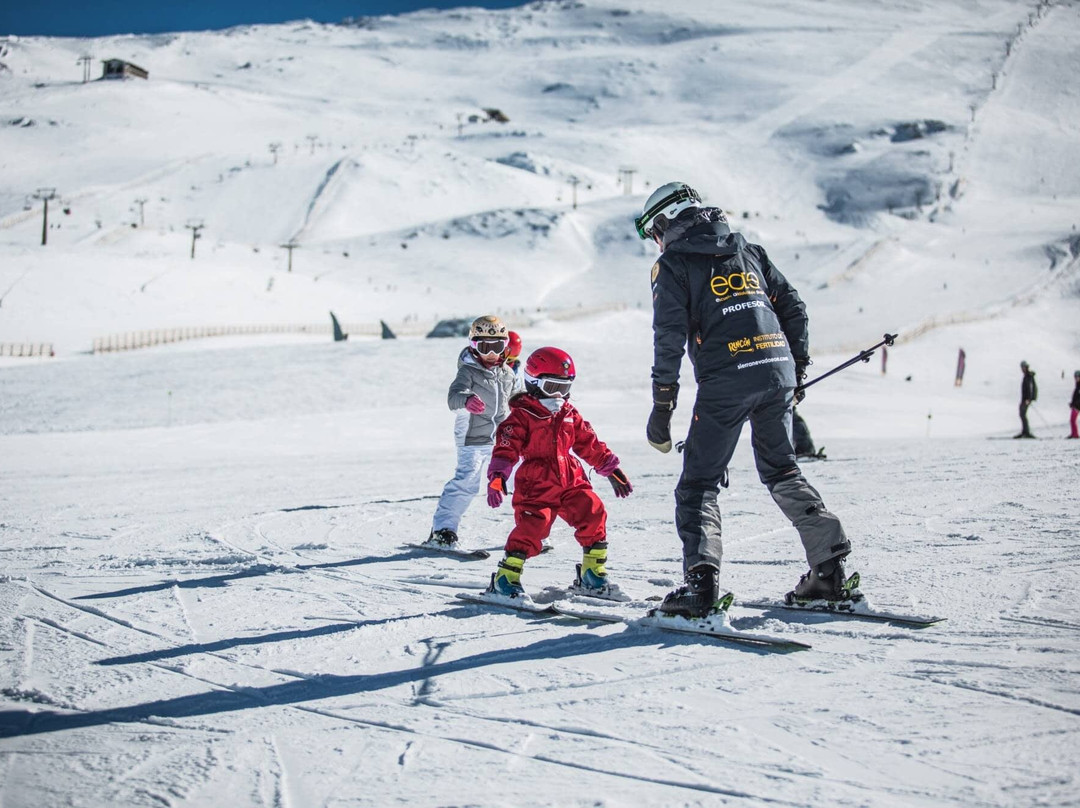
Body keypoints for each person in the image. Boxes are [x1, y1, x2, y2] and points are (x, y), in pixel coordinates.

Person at [636, 182, 852, 617]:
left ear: (665, 222)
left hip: (726, 381)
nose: (654, 242)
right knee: (782, 469)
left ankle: (700, 585)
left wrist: (662, 408)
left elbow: (669, 340)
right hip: (777, 372)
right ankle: (829, 574)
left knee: (698, 484)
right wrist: (795, 370)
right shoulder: (747, 250)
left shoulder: (674, 264)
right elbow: (794, 307)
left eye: (652, 233)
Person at [485, 347, 633, 599]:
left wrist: (610, 468)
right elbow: (506, 447)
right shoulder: (521, 417)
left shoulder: (569, 414)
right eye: (552, 387)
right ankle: (505, 578)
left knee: (593, 510)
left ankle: (592, 574)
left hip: (571, 479)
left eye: (564, 388)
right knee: (533, 527)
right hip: (537, 483)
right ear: (533, 383)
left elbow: (589, 442)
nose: (559, 395)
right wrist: (498, 476)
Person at [427, 315, 517, 548]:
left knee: (521, 478)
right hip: (472, 435)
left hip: (502, 438)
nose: (491, 353)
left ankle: (531, 529)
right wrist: (466, 400)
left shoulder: (507, 373)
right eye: (484, 347)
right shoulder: (468, 371)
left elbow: (516, 399)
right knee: (468, 481)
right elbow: (453, 397)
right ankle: (443, 530)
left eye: (497, 346)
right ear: (473, 346)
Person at [1015, 360, 1037, 439]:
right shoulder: (1026, 376)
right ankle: (1024, 431)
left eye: (1023, 367)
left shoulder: (1029, 376)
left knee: (1023, 414)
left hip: (1027, 399)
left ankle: (1026, 432)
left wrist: (1029, 398)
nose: (1022, 369)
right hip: (1024, 399)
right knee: (1022, 414)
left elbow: (1031, 388)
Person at [1069, 370, 1080, 439]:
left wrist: (1075, 404)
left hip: (1078, 406)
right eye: (1075, 377)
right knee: (1072, 420)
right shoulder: (1077, 385)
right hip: (1075, 405)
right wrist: (1072, 403)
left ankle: (1075, 434)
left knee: (1072, 419)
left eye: (1077, 377)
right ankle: (1074, 434)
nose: (1076, 378)